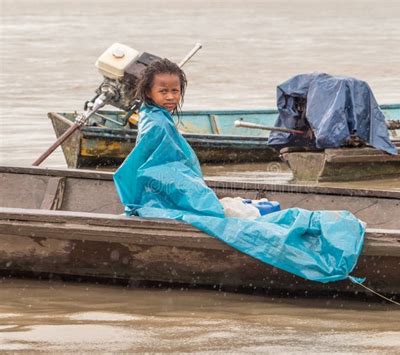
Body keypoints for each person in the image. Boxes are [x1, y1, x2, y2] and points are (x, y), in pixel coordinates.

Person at [113, 58, 365, 284]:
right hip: (159, 200)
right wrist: (204, 205)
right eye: (163, 91)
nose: (170, 97)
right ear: (148, 91)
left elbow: (169, 170)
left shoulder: (153, 116)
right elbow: (165, 174)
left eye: (175, 91)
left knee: (252, 217)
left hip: (161, 197)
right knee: (254, 226)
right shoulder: (157, 125)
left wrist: (199, 197)